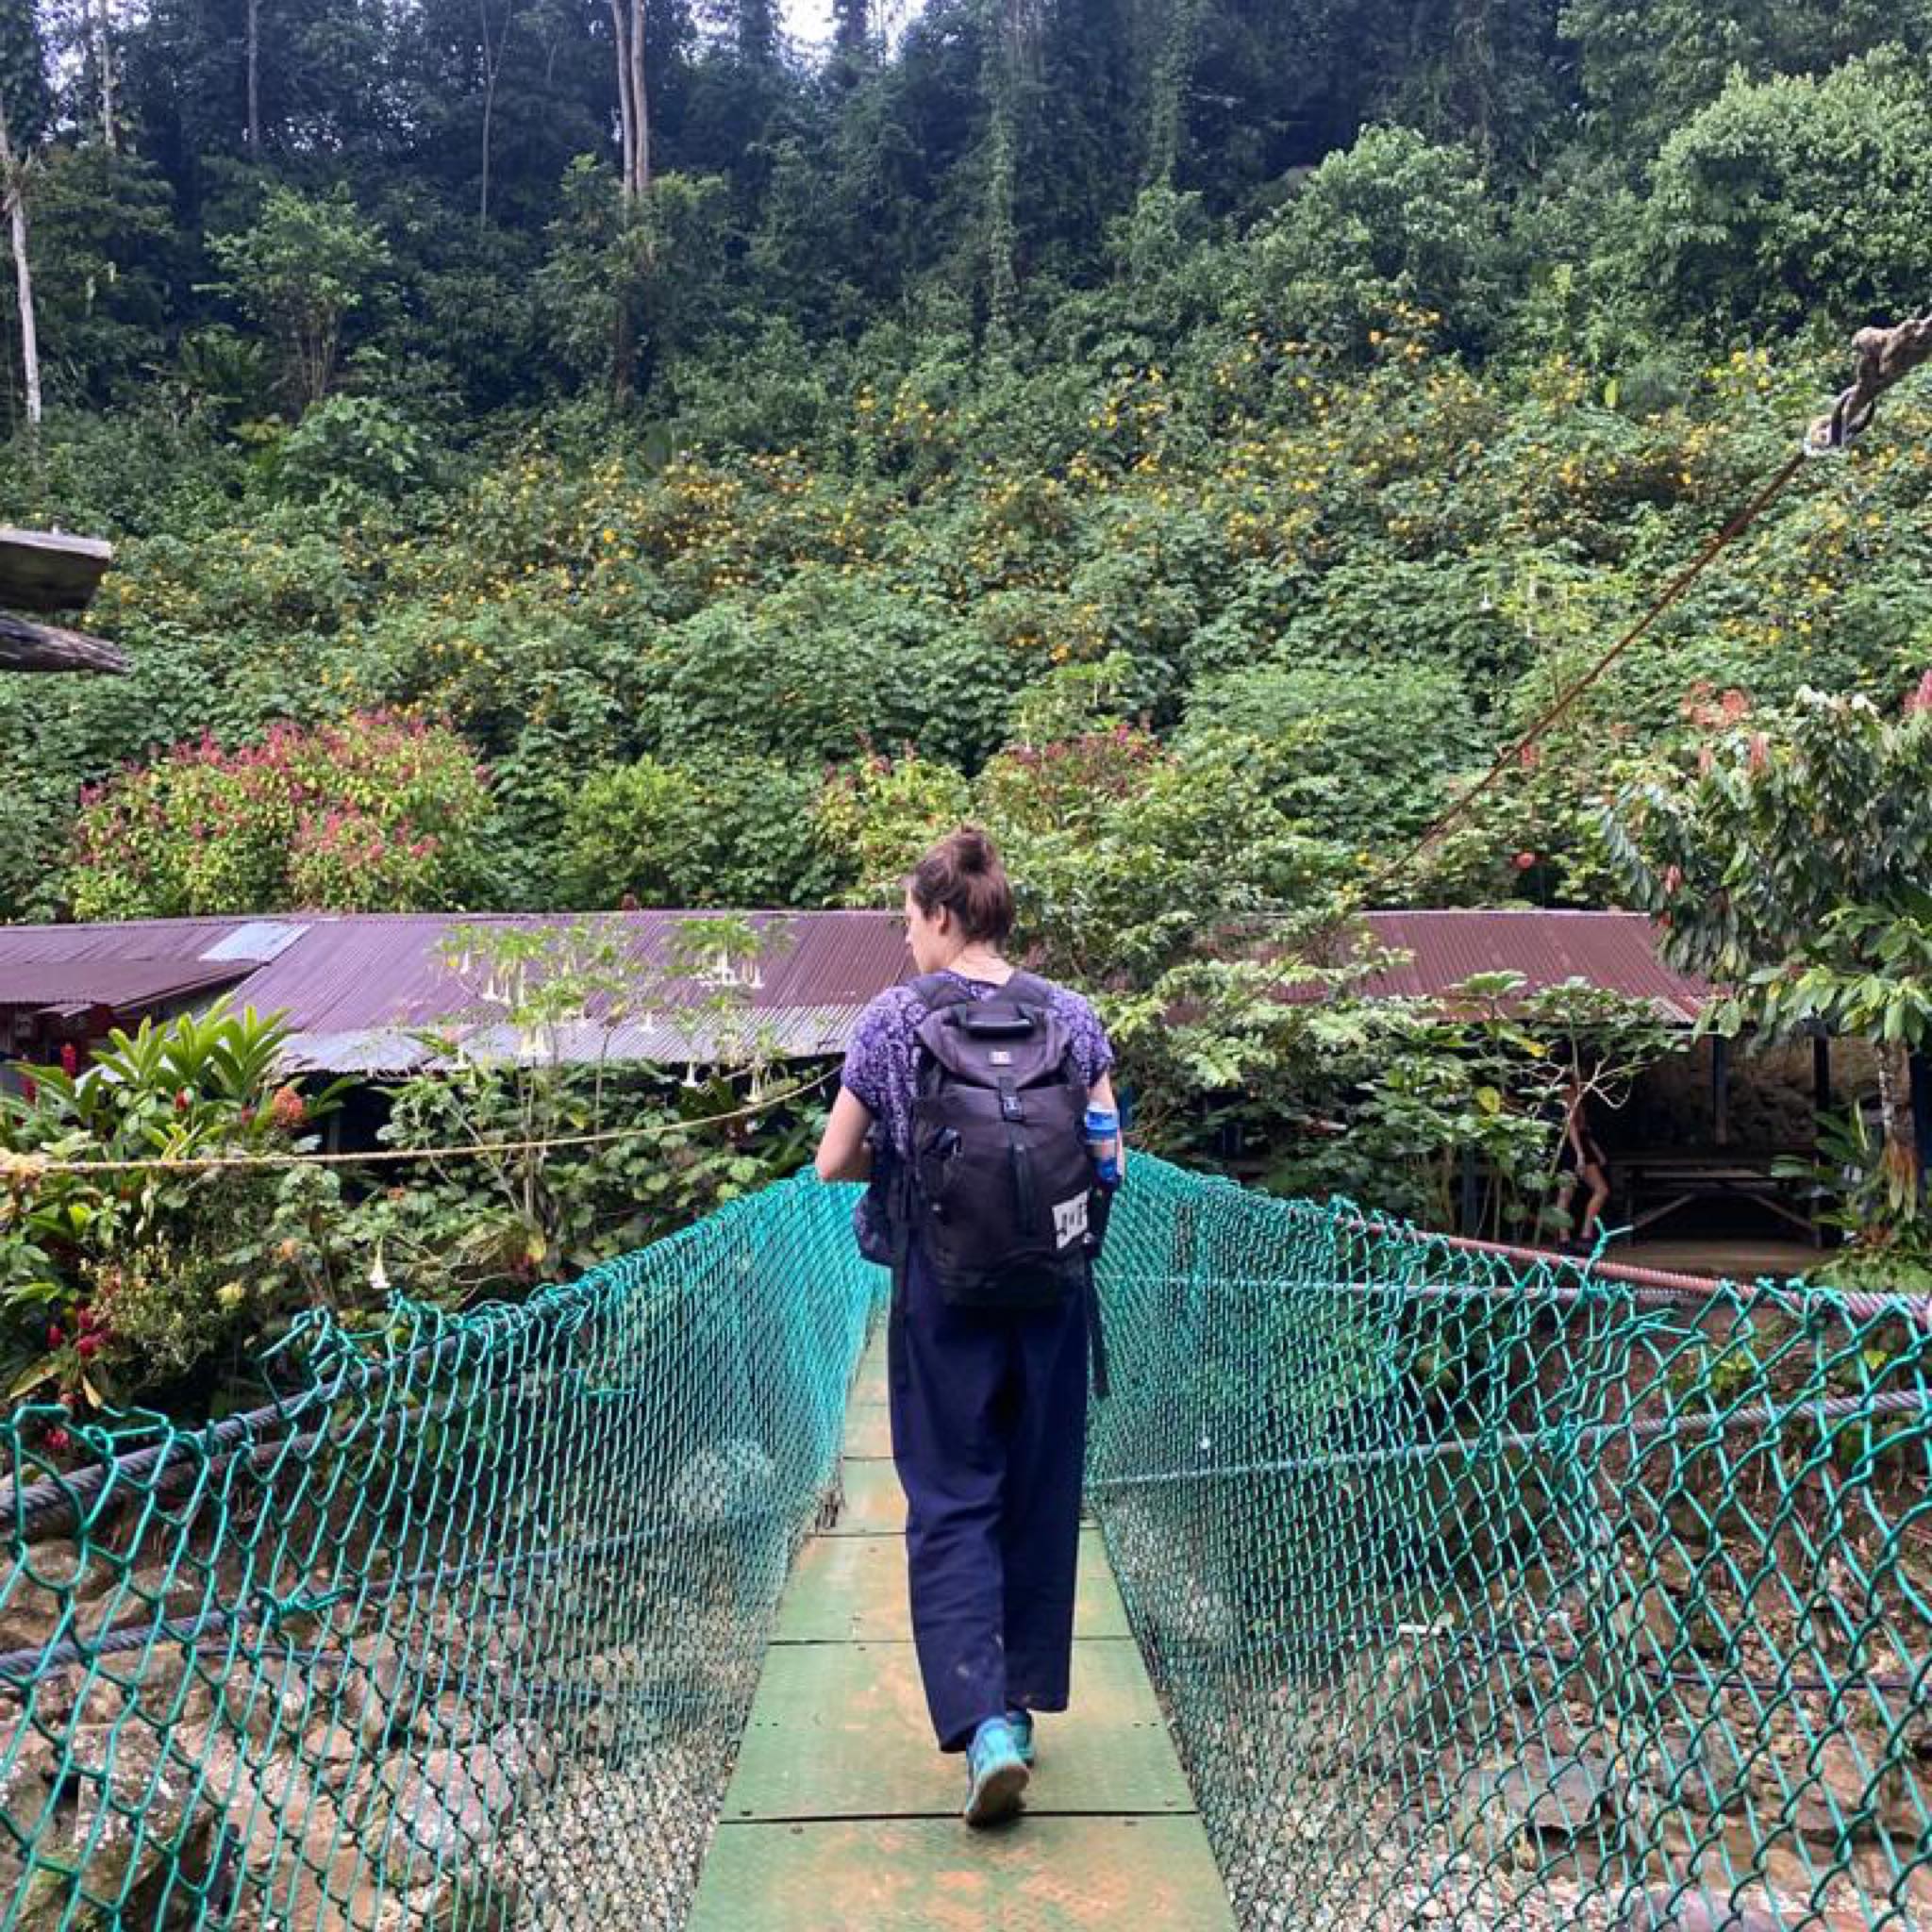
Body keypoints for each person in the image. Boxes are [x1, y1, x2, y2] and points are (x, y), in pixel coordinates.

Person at [814, 825, 1122, 1829]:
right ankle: (1020, 1710)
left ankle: (981, 1722)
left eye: (908, 918)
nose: (906, 938)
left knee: (951, 1497)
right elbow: (1107, 1157)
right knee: (1037, 1492)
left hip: (939, 1295)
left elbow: (833, 1162)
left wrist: (917, 1168)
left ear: (944, 914)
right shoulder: (1071, 1017)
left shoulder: (892, 1021)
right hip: (1052, 1294)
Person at [1555, 1074, 1611, 1251]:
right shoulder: (1568, 1091)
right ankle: (1579, 1235)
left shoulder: (1576, 1092)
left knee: (1568, 1194)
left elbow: (1582, 1127)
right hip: (1573, 1146)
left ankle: (1572, 1237)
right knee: (1593, 1190)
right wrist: (1580, 1153)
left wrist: (1595, 1150)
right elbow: (1570, 1125)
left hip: (1577, 1145)